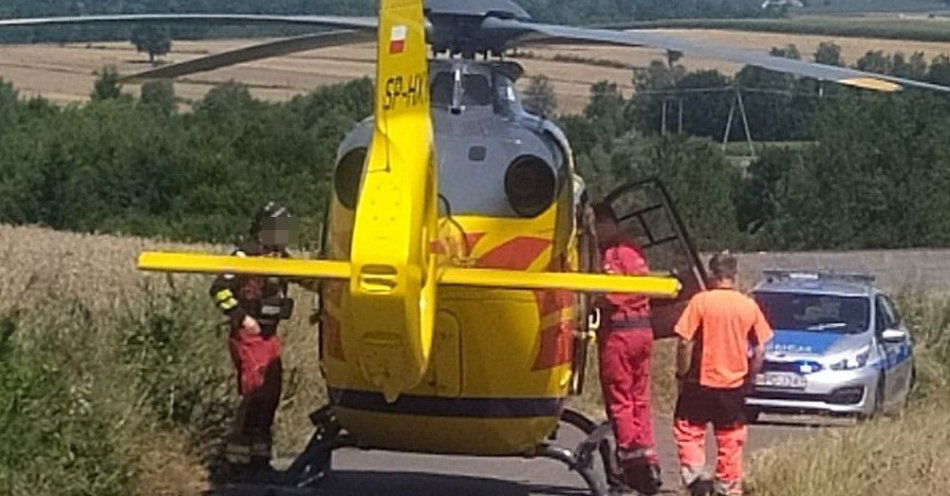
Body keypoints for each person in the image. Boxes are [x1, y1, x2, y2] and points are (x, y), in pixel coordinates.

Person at [210, 201, 301, 484]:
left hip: (269, 336)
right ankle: (237, 465)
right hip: (250, 335)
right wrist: (241, 318)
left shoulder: (281, 257)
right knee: (254, 394)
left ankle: (260, 461)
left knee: (270, 395)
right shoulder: (245, 254)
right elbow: (219, 289)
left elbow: (305, 277)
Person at [672, 251, 773, 496]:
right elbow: (760, 349)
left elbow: (684, 341)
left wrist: (681, 374)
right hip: (733, 384)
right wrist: (751, 376)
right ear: (734, 276)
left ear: (712, 274)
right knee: (730, 438)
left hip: (699, 381)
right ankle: (727, 487)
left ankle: (696, 479)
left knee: (689, 430)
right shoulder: (748, 306)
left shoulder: (701, 302)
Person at [592, 202, 663, 496]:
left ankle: (631, 465)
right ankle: (647, 460)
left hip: (620, 333)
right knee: (639, 398)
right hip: (642, 332)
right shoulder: (634, 250)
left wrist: (591, 300)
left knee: (621, 399)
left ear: (606, 222)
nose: (594, 234)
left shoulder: (614, 253)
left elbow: (614, 294)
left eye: (595, 226)